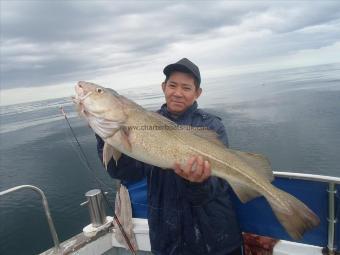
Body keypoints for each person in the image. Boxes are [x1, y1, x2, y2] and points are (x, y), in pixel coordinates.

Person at [96, 58, 243, 255]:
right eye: (172, 85)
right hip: (167, 241)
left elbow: (218, 186)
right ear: (164, 87)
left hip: (214, 240)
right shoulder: (142, 123)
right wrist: (106, 134)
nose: (178, 93)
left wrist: (198, 183)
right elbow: (126, 173)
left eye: (186, 88)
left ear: (197, 92)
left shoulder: (212, 126)